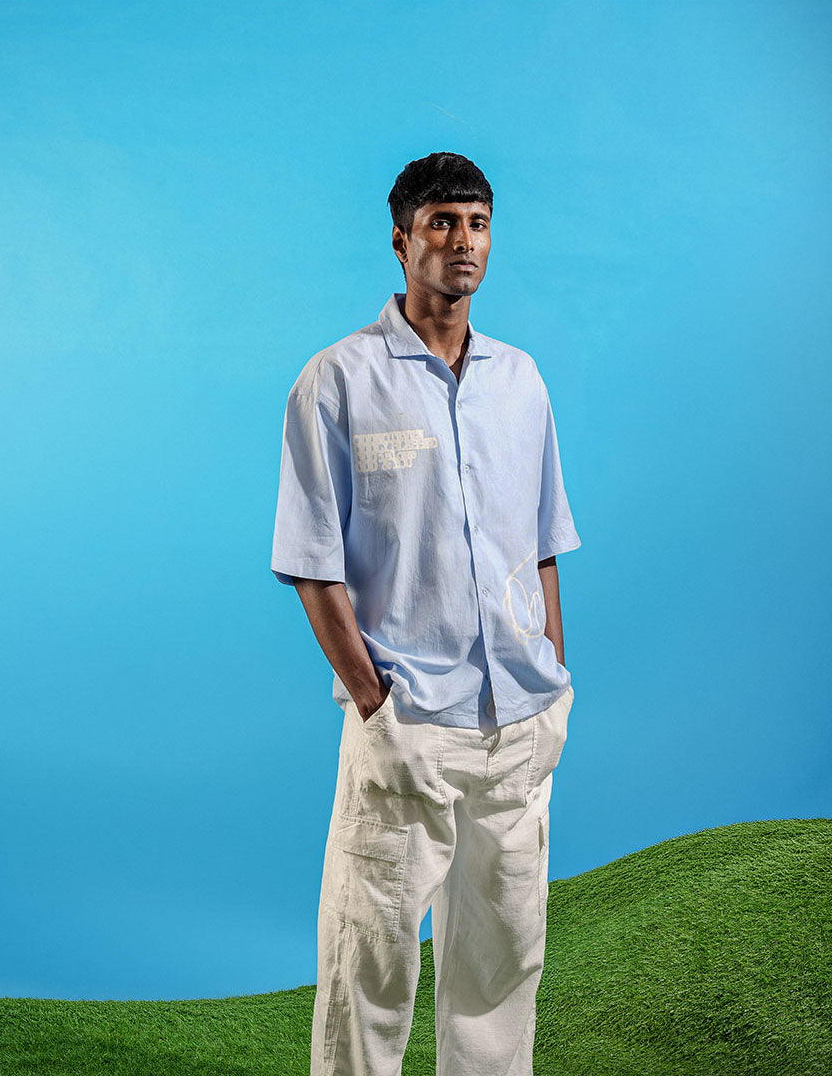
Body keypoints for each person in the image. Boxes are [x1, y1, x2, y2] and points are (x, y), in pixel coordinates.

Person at [271, 151, 581, 1076]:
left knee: (502, 969)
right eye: (443, 223)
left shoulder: (521, 382)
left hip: (519, 729)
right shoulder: (336, 383)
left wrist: (552, 675)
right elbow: (313, 568)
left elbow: (540, 544)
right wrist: (375, 704)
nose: (462, 242)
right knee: (368, 967)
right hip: (408, 726)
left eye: (477, 224)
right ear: (401, 240)